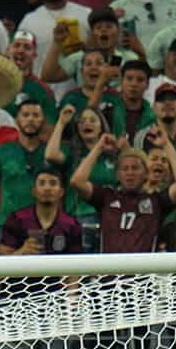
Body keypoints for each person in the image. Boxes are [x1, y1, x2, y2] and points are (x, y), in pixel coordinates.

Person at [70, 128, 176, 253]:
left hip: (143, 272)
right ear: (117, 174)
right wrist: (98, 148)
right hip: (110, 271)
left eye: (135, 168)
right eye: (125, 169)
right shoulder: (106, 197)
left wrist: (166, 144)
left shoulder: (157, 201)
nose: (130, 173)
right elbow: (77, 181)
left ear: (146, 173)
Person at [44, 103, 117, 252]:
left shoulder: (112, 155)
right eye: (82, 121)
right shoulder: (72, 153)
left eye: (92, 120)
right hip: (79, 218)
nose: (87, 124)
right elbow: (50, 155)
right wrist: (61, 122)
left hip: (110, 219)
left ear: (102, 126)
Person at [0, 99, 49, 226]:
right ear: (16, 120)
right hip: (8, 225)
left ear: (43, 120)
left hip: (43, 226)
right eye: (25, 115)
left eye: (36, 115)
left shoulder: (51, 153)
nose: (30, 119)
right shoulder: (1, 152)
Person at [16, 0, 91, 101]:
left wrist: (83, 48)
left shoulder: (86, 14)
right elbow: (19, 62)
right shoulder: (29, 21)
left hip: (79, 98)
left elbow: (98, 52)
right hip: (40, 98)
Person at [0, 167, 83, 259]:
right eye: (42, 183)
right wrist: (22, 252)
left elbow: (77, 266)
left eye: (53, 183)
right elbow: (3, 262)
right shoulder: (17, 219)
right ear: (34, 191)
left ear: (61, 192)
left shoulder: (71, 225)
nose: (47, 188)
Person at [5, 30, 56, 125]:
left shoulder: (43, 90)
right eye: (16, 45)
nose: (20, 50)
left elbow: (50, 129)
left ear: (34, 55)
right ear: (8, 50)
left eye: (27, 47)